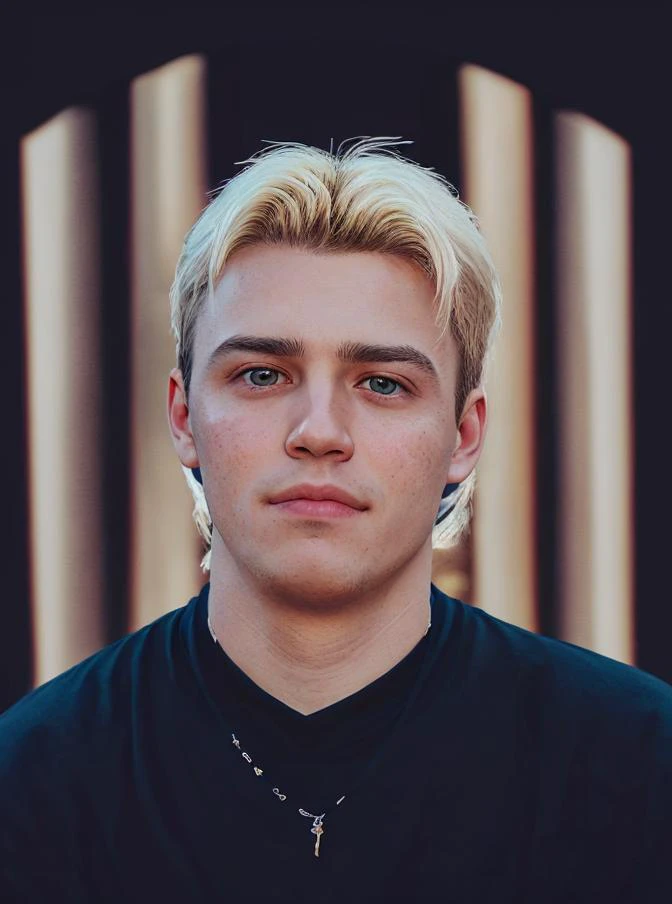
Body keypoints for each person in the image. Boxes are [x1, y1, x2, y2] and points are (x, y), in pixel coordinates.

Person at [1, 137, 670, 903]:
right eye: (261, 374)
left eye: (382, 383)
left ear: (464, 435)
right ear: (185, 416)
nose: (319, 430)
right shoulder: (36, 782)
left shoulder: (639, 768)